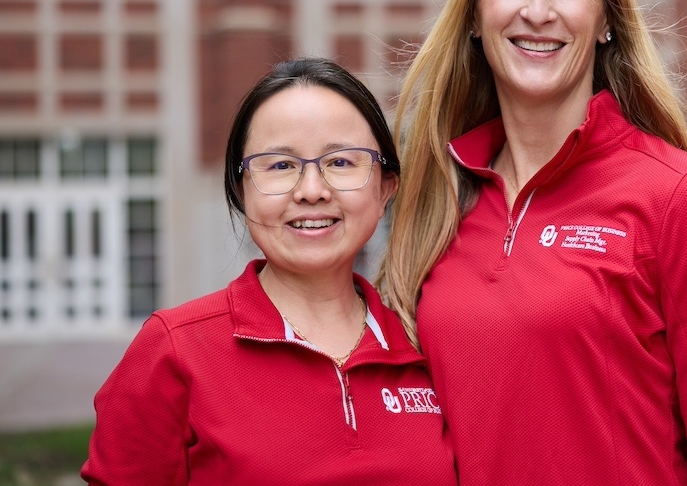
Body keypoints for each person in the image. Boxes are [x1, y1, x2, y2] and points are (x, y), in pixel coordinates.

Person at [376, 0, 687, 484]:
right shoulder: (439, 199)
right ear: (476, 18)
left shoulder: (681, 200)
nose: (538, 9)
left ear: (606, 18)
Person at [82, 58, 457, 485]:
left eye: (341, 162)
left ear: (385, 188)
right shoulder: (174, 350)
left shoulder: (424, 346)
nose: (312, 191)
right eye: (279, 165)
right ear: (242, 192)